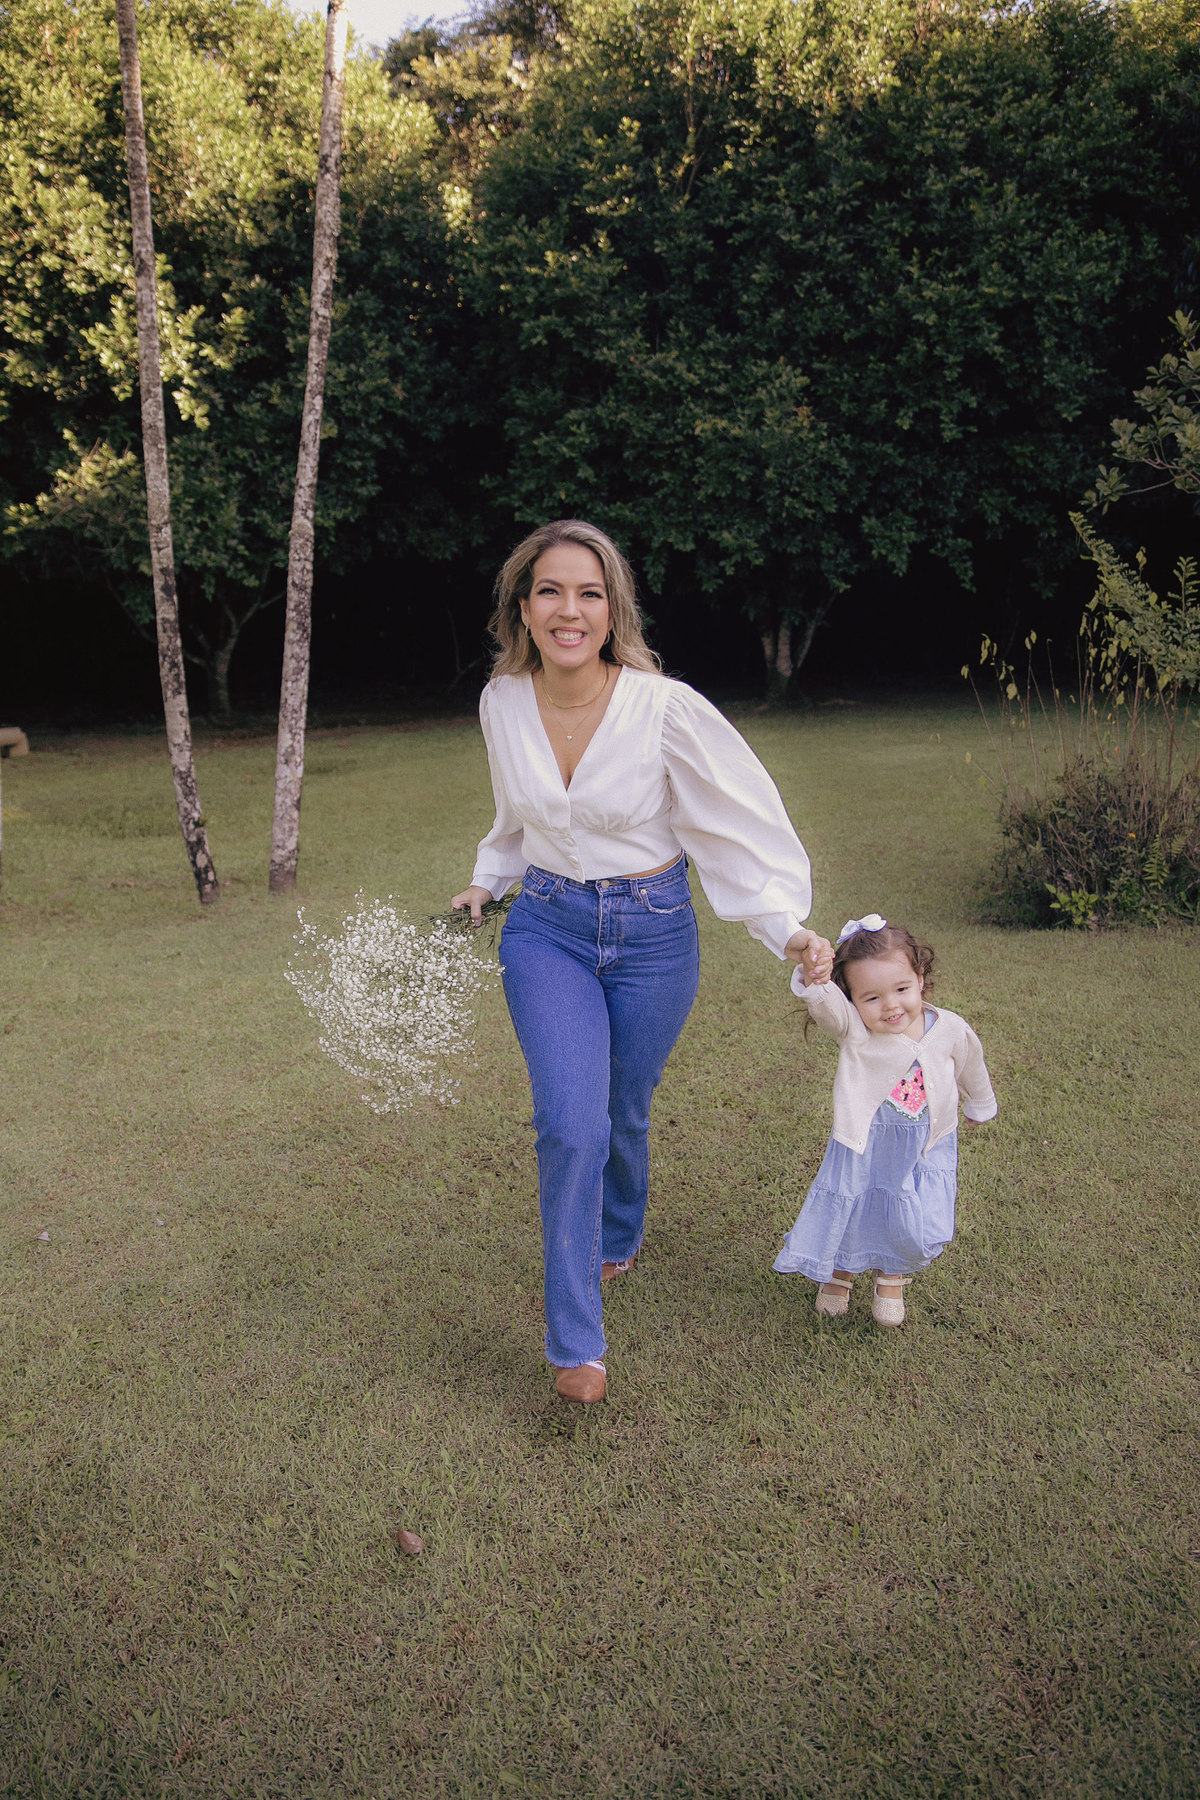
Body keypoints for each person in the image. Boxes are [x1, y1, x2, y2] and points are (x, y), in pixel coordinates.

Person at [452, 519, 833, 1403]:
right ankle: (574, 1343)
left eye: (589, 593)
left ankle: (620, 1231)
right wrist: (485, 881)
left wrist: (788, 929)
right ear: (523, 604)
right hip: (545, 928)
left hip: (654, 932)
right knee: (569, 1124)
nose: (568, 609)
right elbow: (517, 820)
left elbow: (728, 825)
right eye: (550, 590)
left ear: (612, 608)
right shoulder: (501, 702)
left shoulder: (663, 708)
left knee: (623, 1110)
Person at [774, 914, 997, 1326]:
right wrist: (814, 976)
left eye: (901, 988)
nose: (891, 1006)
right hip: (866, 1140)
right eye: (871, 997)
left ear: (920, 976)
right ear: (853, 1001)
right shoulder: (855, 1029)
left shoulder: (949, 1028)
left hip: (924, 1143)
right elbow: (823, 1004)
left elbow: (971, 1066)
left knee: (902, 1210)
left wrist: (979, 1104)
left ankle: (890, 1274)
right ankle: (840, 1271)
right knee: (856, 1203)